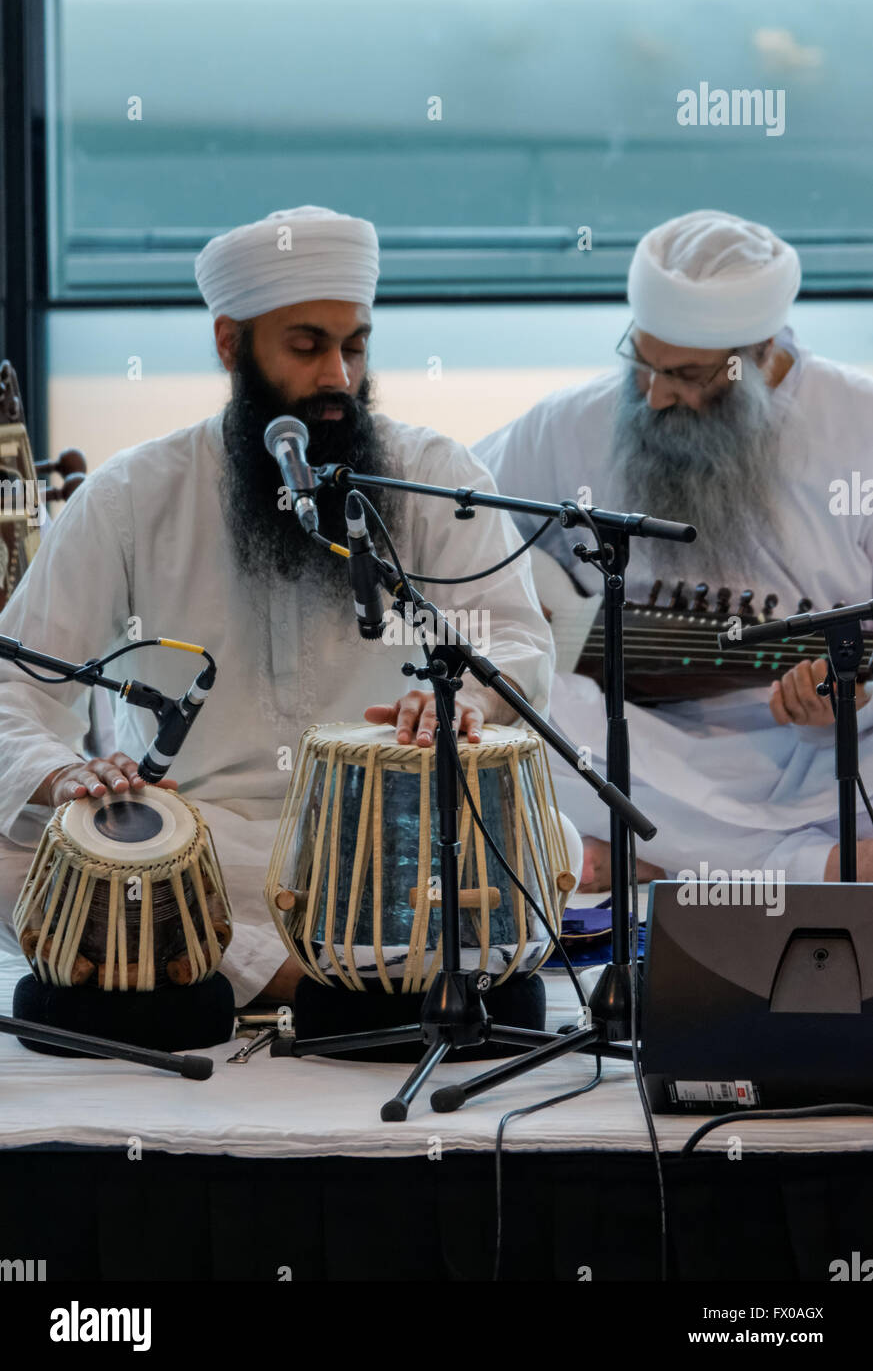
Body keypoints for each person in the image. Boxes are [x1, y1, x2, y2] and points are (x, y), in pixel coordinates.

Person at [0, 205, 553, 1004]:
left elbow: (511, 638)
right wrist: (60, 776)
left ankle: (226, 975)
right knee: (16, 853)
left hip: (387, 842)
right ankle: (337, 984)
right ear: (231, 343)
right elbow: (17, 680)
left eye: (352, 346)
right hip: (199, 843)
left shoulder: (430, 474)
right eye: (306, 346)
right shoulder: (134, 494)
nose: (337, 376)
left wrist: (454, 700)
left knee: (540, 843)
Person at [475, 209, 873, 888]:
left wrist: (852, 691)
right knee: (508, 711)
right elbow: (443, 528)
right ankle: (810, 869)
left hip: (817, 754)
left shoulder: (856, 424)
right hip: (632, 744)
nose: (655, 395)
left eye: (687, 375)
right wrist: (505, 619)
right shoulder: (567, 425)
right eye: (641, 361)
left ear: (758, 355)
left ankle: (642, 858)